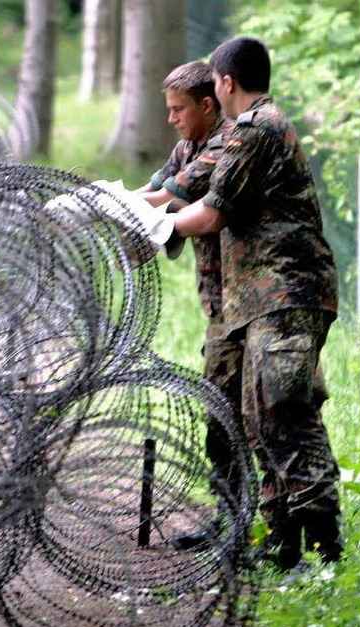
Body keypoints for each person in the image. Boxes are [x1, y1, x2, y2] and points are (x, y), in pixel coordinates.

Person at [168, 37, 343, 570]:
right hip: (263, 299)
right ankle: (283, 542)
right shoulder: (254, 128)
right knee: (259, 418)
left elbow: (211, 213)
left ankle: (323, 550)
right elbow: (186, 188)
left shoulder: (255, 129)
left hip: (285, 293)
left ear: (224, 83)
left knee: (285, 415)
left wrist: (153, 223)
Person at [136, 61, 242, 548]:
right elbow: (150, 190)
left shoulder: (226, 145)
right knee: (220, 413)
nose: (171, 119)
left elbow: (164, 197)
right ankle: (229, 519)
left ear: (206, 104)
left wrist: (125, 210)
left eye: (179, 110)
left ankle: (259, 526)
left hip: (248, 300)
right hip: (222, 304)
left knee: (256, 417)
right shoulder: (188, 144)